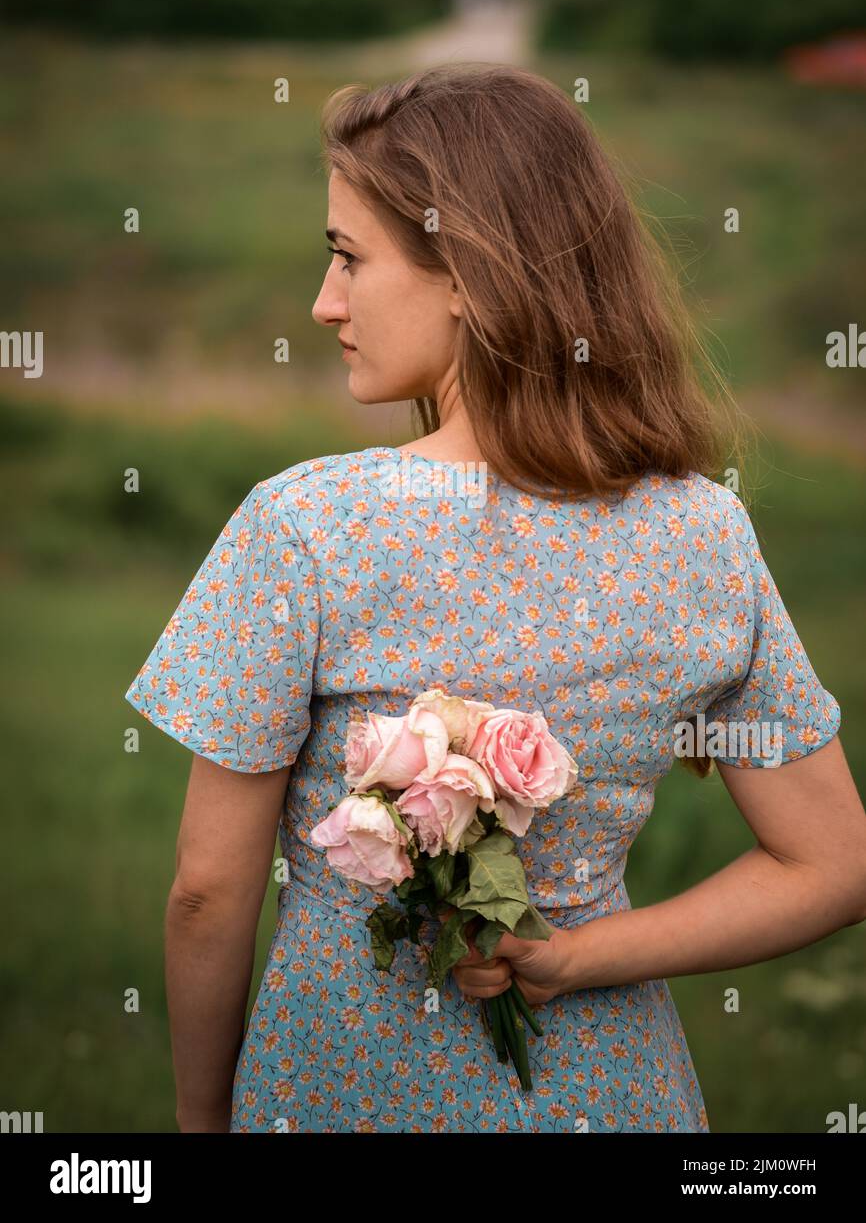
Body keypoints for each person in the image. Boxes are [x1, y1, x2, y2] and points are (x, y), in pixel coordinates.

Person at [124, 63, 866, 1133]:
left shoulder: (308, 525)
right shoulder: (706, 532)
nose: (323, 302)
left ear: (467, 273)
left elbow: (206, 888)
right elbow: (833, 864)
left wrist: (200, 1122)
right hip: (612, 1097)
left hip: (338, 1090)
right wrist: (573, 955)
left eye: (347, 257)